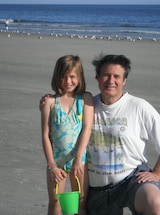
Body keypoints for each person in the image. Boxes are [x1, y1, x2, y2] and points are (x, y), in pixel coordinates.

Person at [41, 54, 160, 215]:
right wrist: (46, 103)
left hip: (131, 180)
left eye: (116, 76)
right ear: (98, 77)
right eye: (106, 75)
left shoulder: (139, 106)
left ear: (124, 80)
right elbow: (61, 114)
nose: (110, 81)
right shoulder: (87, 104)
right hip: (98, 190)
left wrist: (156, 173)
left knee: (154, 204)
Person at [41, 55, 94, 215]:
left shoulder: (85, 99)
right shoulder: (50, 102)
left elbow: (87, 128)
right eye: (63, 77)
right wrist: (52, 166)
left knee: (80, 204)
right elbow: (45, 135)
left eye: (72, 77)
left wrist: (78, 159)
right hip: (57, 163)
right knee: (55, 204)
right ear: (57, 77)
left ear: (79, 77)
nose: (68, 81)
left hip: (80, 162)